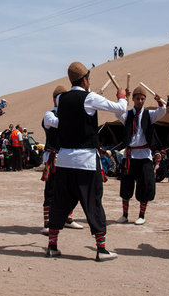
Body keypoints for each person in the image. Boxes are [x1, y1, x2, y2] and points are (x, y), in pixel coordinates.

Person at [46, 61, 127, 261]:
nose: (90, 81)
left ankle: (52, 245)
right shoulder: (89, 97)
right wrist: (122, 96)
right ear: (84, 80)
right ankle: (101, 249)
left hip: (64, 159)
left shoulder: (62, 99)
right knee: (93, 202)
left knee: (60, 202)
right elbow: (120, 109)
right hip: (85, 161)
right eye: (88, 79)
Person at [115, 85, 166, 225]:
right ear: (133, 99)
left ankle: (141, 216)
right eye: (137, 98)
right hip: (129, 156)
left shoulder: (149, 115)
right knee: (126, 185)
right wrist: (121, 98)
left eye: (143, 99)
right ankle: (125, 215)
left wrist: (159, 101)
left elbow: (162, 111)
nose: (140, 101)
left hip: (144, 156)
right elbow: (118, 113)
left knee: (145, 185)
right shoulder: (128, 115)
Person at [41, 85, 84, 234]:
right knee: (51, 191)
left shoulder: (69, 115)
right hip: (53, 158)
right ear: (54, 99)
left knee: (73, 189)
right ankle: (47, 223)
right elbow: (61, 124)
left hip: (69, 158)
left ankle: (68, 218)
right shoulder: (49, 115)